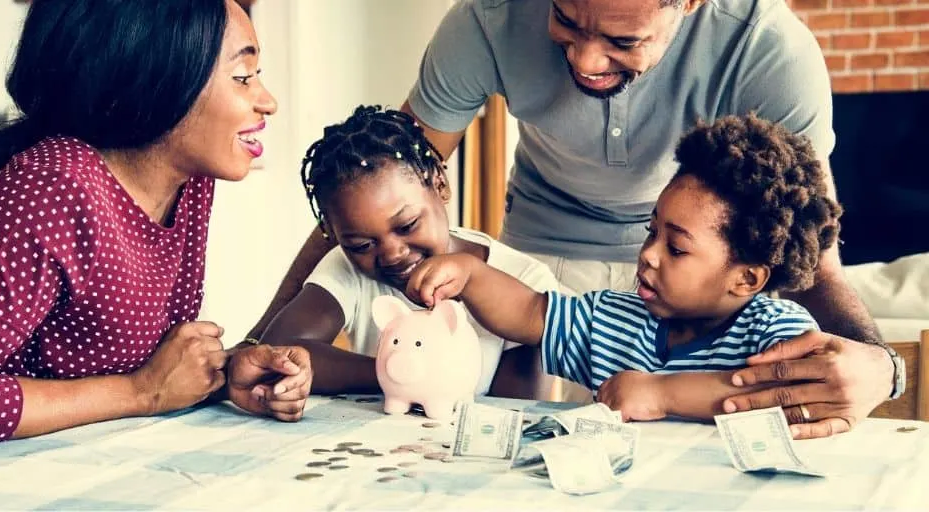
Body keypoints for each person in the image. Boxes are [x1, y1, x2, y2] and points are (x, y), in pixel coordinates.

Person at [247, 0, 904, 439]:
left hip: (701, 259)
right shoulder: (489, 19)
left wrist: (882, 365)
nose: (585, 61)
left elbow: (807, 249)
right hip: (543, 259)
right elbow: (377, 183)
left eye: (623, 39)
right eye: (566, 19)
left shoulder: (767, 49)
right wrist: (256, 346)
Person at [0, 0, 313, 466]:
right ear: (158, 76)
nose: (268, 100)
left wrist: (226, 371)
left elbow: (151, 364)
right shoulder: (51, 187)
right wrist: (141, 393)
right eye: (243, 76)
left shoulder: (187, 182)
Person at [407, 114, 844, 425]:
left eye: (676, 248)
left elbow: (780, 397)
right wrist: (470, 275)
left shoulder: (778, 334)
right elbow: (529, 314)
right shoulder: (614, 320)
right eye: (651, 232)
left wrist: (660, 394)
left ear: (746, 279)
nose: (648, 254)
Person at [229, 105, 558, 399]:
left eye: (408, 225)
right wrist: (395, 373)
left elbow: (516, 408)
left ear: (440, 185)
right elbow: (281, 351)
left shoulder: (525, 281)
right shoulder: (347, 268)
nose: (392, 254)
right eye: (361, 245)